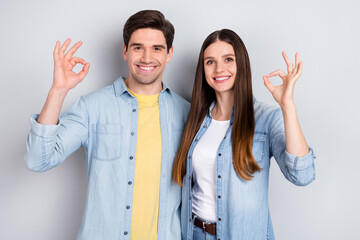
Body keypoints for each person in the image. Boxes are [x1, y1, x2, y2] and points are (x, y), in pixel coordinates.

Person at [25, 10, 189, 240]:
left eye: (157, 48)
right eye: (138, 47)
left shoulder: (188, 114)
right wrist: (58, 90)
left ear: (169, 53)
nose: (147, 57)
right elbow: (37, 160)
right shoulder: (91, 107)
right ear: (125, 51)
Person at [172, 29, 316, 240]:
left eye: (228, 59)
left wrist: (287, 106)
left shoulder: (266, 118)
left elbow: (302, 176)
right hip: (194, 233)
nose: (219, 68)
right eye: (210, 62)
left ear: (242, 64)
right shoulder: (195, 119)